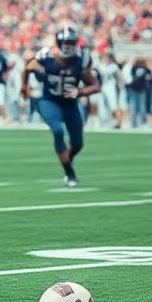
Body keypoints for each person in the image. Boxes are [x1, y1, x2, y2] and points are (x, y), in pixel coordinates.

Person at [22, 25, 100, 187]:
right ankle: (70, 173)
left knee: (78, 143)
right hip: (49, 101)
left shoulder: (81, 60)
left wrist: (80, 92)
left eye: (71, 42)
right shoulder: (45, 56)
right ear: (58, 43)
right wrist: (24, 86)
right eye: (65, 42)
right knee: (58, 130)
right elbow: (28, 67)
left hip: (70, 104)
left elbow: (95, 86)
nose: (68, 46)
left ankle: (67, 161)